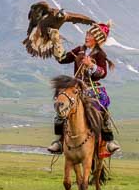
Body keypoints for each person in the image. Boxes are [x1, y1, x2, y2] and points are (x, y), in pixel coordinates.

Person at [47, 21, 121, 156]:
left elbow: (102, 73)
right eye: (87, 33)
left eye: (90, 34)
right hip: (76, 88)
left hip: (92, 90)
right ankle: (58, 141)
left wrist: (91, 65)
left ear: (97, 38)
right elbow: (62, 58)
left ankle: (109, 141)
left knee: (103, 110)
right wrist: (56, 42)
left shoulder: (100, 54)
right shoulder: (80, 50)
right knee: (61, 105)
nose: (87, 37)